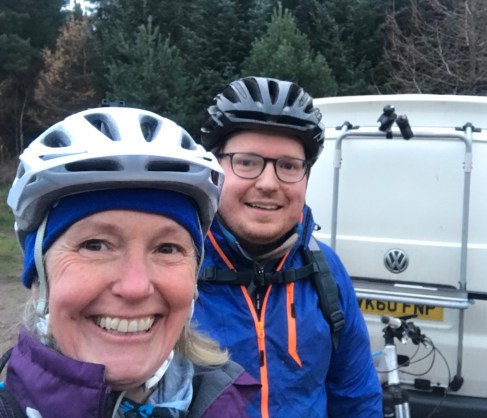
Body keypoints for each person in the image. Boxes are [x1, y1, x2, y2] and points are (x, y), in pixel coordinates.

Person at [0, 107, 259, 418]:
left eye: (167, 248)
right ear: (39, 277)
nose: (135, 287)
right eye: (95, 245)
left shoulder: (228, 404)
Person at [194, 76, 382, 417]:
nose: (268, 183)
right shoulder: (178, 268)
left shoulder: (325, 269)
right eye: (247, 162)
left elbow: (356, 398)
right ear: (214, 169)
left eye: (288, 166)